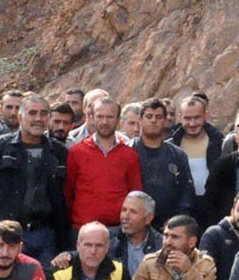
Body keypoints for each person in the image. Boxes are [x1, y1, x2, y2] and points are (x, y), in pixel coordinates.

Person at [0, 92, 69, 265]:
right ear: (20, 116)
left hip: (47, 235)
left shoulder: (59, 152)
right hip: (9, 234)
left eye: (43, 113)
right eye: (32, 113)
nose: (38, 118)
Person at [66, 99, 142, 238]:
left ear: (118, 120)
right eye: (100, 116)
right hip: (83, 229)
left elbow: (135, 193)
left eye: (110, 117)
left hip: (118, 230)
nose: (105, 122)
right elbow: (68, 192)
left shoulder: (129, 155)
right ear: (92, 118)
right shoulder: (77, 152)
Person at [132, 98, 196, 226]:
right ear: (139, 120)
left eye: (158, 117)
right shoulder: (129, 151)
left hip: (169, 224)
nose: (153, 121)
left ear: (165, 120)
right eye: (149, 116)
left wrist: (178, 219)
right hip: (135, 221)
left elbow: (187, 190)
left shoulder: (178, 155)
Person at [167, 94, 224, 213]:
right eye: (187, 118)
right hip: (180, 209)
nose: (192, 124)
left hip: (212, 208)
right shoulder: (170, 146)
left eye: (197, 118)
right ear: (180, 117)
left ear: (205, 115)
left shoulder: (219, 143)